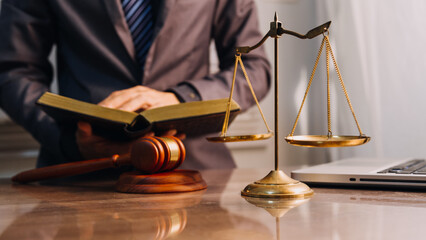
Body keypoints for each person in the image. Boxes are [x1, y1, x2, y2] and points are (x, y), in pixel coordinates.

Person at [0, 0, 270, 170]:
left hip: (196, 171)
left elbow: (254, 68)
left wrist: (182, 99)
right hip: (80, 173)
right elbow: (12, 71)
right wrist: (68, 140)